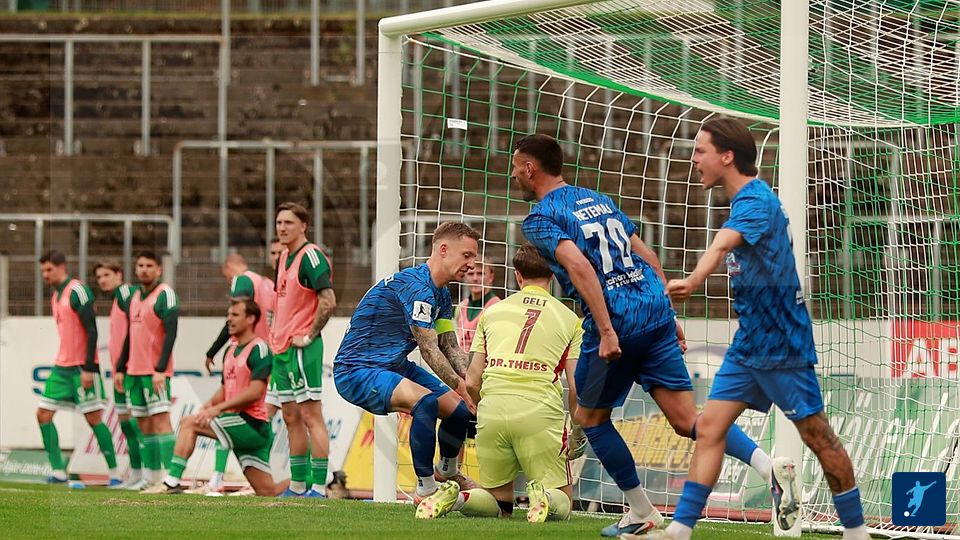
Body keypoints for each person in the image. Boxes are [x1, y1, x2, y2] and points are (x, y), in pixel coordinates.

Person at [514, 133, 773, 537]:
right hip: (653, 312)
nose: (514, 174)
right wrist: (669, 312)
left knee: (590, 418)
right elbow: (646, 255)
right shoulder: (598, 199)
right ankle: (769, 468)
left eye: (516, 167)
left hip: (617, 321)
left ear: (530, 169)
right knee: (687, 419)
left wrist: (605, 330)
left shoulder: (540, 218)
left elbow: (580, 268)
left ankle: (641, 510)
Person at [654, 117, 868, 540]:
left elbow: (722, 243)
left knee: (818, 436)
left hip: (782, 345)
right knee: (709, 429)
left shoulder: (755, 201)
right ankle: (678, 531)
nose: (694, 159)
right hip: (749, 343)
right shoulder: (744, 201)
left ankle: (857, 531)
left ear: (726, 156)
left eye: (700, 150)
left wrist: (693, 281)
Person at [416, 244, 584, 523]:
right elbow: (577, 388)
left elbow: (472, 380)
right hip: (539, 411)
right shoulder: (570, 319)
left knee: (498, 506)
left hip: (492, 411)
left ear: (517, 275)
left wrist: (486, 408)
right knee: (563, 503)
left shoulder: (492, 312)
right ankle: (544, 497)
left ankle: (457, 498)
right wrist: (578, 432)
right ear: (554, 273)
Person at [334, 222, 479, 507]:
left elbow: (449, 347)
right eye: (467, 255)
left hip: (393, 366)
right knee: (426, 403)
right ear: (443, 249)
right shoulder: (416, 287)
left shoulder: (441, 293)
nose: (472, 264)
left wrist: (475, 382)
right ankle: (425, 490)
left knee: (459, 411)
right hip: (358, 371)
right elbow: (429, 349)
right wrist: (464, 387)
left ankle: (447, 470)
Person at [148, 298, 288, 496]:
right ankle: (320, 482)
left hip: (251, 424)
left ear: (250, 319)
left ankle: (171, 482)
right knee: (268, 491)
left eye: (235, 315)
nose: (229, 319)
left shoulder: (259, 349)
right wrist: (208, 405)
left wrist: (218, 409)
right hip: (238, 424)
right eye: (228, 315)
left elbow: (255, 392)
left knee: (189, 423)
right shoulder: (230, 351)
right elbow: (225, 389)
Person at [36, 250, 121, 487]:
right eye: (43, 270)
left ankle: (114, 474)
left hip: (82, 367)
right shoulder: (56, 296)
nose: (45, 274)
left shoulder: (78, 291)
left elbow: (91, 330)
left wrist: (88, 368)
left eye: (49, 269)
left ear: (62, 267)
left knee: (93, 418)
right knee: (43, 414)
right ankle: (58, 471)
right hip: (61, 367)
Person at [270, 202, 336, 497]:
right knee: (290, 417)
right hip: (282, 349)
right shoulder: (284, 256)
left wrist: (309, 335)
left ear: (303, 226)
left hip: (301, 349)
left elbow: (328, 301)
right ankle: (297, 486)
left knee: (311, 416)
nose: (282, 228)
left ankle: (319, 486)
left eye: (288, 222)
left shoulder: (311, 256)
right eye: (279, 222)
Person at [198, 252, 277, 495]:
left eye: (226, 276)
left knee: (230, 415)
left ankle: (217, 478)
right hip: (272, 353)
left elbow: (236, 316)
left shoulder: (242, 279)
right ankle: (305, 480)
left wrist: (212, 350)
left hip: (249, 354)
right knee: (276, 416)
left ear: (231, 267)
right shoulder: (268, 283)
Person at [115, 250, 179, 489]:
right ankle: (151, 477)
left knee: (161, 421)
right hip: (134, 371)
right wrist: (120, 367)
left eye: (149, 266)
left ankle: (172, 478)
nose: (144, 270)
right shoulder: (134, 297)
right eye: (140, 265)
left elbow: (171, 332)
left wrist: (160, 369)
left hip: (155, 373)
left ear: (159, 270)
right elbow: (130, 336)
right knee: (143, 423)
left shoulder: (165, 294)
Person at [94, 260, 146, 489]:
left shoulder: (126, 293)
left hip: (130, 371)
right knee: (126, 425)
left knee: (137, 424)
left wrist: (124, 367)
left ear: (119, 274)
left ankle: (149, 474)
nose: (102, 280)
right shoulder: (116, 299)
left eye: (107, 275)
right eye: (99, 277)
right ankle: (135, 473)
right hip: (120, 372)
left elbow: (135, 329)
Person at [454, 259, 500, 352]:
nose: (475, 278)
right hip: (462, 359)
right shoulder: (461, 307)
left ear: (491, 277)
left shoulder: (497, 307)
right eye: (471, 274)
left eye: (480, 274)